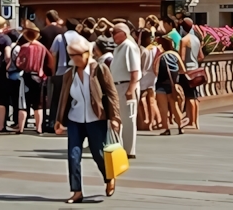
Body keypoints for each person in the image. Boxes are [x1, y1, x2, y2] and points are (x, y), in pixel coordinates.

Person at [53, 33, 121, 203]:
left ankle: (108, 177)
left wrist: (115, 118)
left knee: (98, 154)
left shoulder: (99, 69)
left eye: (76, 56)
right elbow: (64, 98)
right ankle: (76, 191)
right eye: (71, 56)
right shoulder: (70, 73)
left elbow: (112, 95)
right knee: (73, 156)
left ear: (86, 54)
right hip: (75, 119)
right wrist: (59, 120)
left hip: (96, 118)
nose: (73, 59)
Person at [109, 22, 142, 159]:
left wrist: (130, 89)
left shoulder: (129, 46)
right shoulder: (119, 48)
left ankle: (129, 150)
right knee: (120, 118)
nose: (112, 36)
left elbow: (135, 70)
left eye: (115, 32)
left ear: (123, 33)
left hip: (126, 85)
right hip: (118, 85)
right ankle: (121, 146)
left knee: (129, 119)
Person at [153, 36, 186, 134]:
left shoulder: (160, 56)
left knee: (163, 108)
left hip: (161, 85)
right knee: (175, 106)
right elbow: (183, 69)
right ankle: (181, 127)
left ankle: (166, 129)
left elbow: (155, 71)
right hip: (173, 85)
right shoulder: (175, 54)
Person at [178, 18, 205, 130]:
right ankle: (195, 121)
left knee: (189, 97)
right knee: (194, 96)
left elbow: (181, 58)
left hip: (187, 72)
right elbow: (201, 57)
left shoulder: (184, 40)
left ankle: (191, 121)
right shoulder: (196, 39)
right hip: (195, 70)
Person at [136, 29, 159, 133]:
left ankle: (145, 121)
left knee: (142, 99)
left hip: (144, 75)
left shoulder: (142, 50)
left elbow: (141, 65)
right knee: (152, 100)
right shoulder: (155, 48)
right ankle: (154, 121)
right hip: (153, 75)